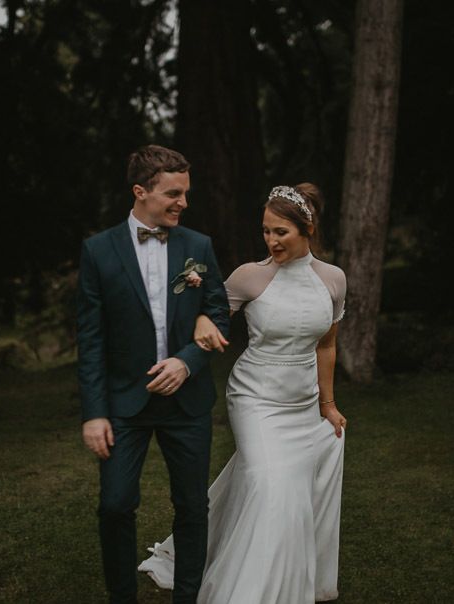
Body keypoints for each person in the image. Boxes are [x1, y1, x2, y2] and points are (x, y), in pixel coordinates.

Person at [139, 182, 347, 603]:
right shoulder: (251, 276)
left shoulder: (332, 280)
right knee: (274, 487)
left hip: (303, 404)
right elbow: (210, 317)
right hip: (254, 398)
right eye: (266, 231)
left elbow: (326, 344)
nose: (271, 240)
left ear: (306, 229)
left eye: (281, 232)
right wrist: (187, 305)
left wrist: (327, 403)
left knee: (267, 488)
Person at [77, 144, 230, 604]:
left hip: (187, 403)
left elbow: (218, 313)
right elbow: (91, 341)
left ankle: (188, 596)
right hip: (124, 404)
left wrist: (187, 360)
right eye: (174, 194)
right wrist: (94, 413)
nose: (183, 202)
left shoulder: (197, 246)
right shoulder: (98, 251)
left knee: (191, 506)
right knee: (115, 504)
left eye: (185, 193)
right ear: (141, 191)